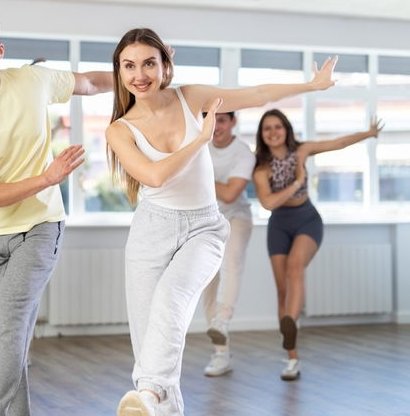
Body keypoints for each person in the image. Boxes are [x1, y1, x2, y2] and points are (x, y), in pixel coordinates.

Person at [106, 28, 338, 416]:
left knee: (172, 301)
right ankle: (158, 401)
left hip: (203, 228)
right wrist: (200, 141)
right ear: (119, 71)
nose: (139, 74)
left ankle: (148, 394)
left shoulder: (190, 97)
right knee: (149, 342)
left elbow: (257, 94)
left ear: (166, 65)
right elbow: (154, 177)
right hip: (151, 230)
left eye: (149, 62)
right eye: (129, 66)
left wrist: (311, 85)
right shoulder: (119, 129)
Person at [0, 12, 111, 416]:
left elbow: (92, 83)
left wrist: (144, 71)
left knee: (9, 330)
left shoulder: (32, 80)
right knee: (4, 341)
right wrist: (46, 178)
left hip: (40, 227)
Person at [252, 109, 382, 381]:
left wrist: (368, 134)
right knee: (282, 290)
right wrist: (299, 180)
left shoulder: (302, 150)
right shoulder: (261, 168)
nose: (273, 132)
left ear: (286, 129)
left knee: (295, 267)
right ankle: (292, 357)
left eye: (278, 126)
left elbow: (338, 143)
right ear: (262, 135)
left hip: (307, 220)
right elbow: (268, 203)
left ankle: (290, 322)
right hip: (279, 224)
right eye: (267, 128)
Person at [200, 110, 255, 377]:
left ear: (233, 122)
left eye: (222, 119)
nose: (216, 125)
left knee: (231, 265)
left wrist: (200, 177)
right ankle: (221, 355)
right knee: (207, 284)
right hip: (206, 220)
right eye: (211, 118)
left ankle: (223, 320)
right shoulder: (199, 146)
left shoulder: (243, 153)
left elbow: (232, 194)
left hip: (236, 216)